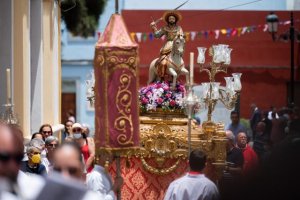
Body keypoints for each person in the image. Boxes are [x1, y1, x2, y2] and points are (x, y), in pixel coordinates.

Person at [150, 10, 184, 78]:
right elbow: (157, 35)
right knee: (163, 62)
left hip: (176, 46)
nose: (171, 20)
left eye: (173, 19)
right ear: (168, 20)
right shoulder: (164, 28)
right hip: (167, 47)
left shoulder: (179, 28)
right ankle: (161, 75)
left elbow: (181, 37)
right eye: (170, 19)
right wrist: (153, 27)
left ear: (175, 20)